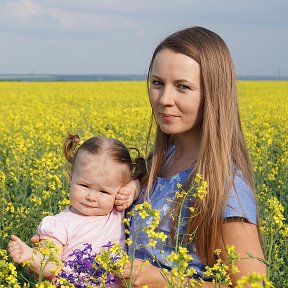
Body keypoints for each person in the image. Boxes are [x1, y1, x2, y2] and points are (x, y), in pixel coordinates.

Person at [116, 26, 266, 287]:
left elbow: (254, 286)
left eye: (183, 87)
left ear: (213, 95)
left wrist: (162, 280)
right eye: (157, 83)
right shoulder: (160, 162)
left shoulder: (225, 189)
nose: (164, 99)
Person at [8, 134, 144, 285]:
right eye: (84, 186)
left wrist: (134, 188)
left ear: (120, 190)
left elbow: (141, 180)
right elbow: (50, 267)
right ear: (70, 178)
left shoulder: (117, 211)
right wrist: (30, 256)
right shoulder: (58, 225)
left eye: (103, 192)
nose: (92, 197)